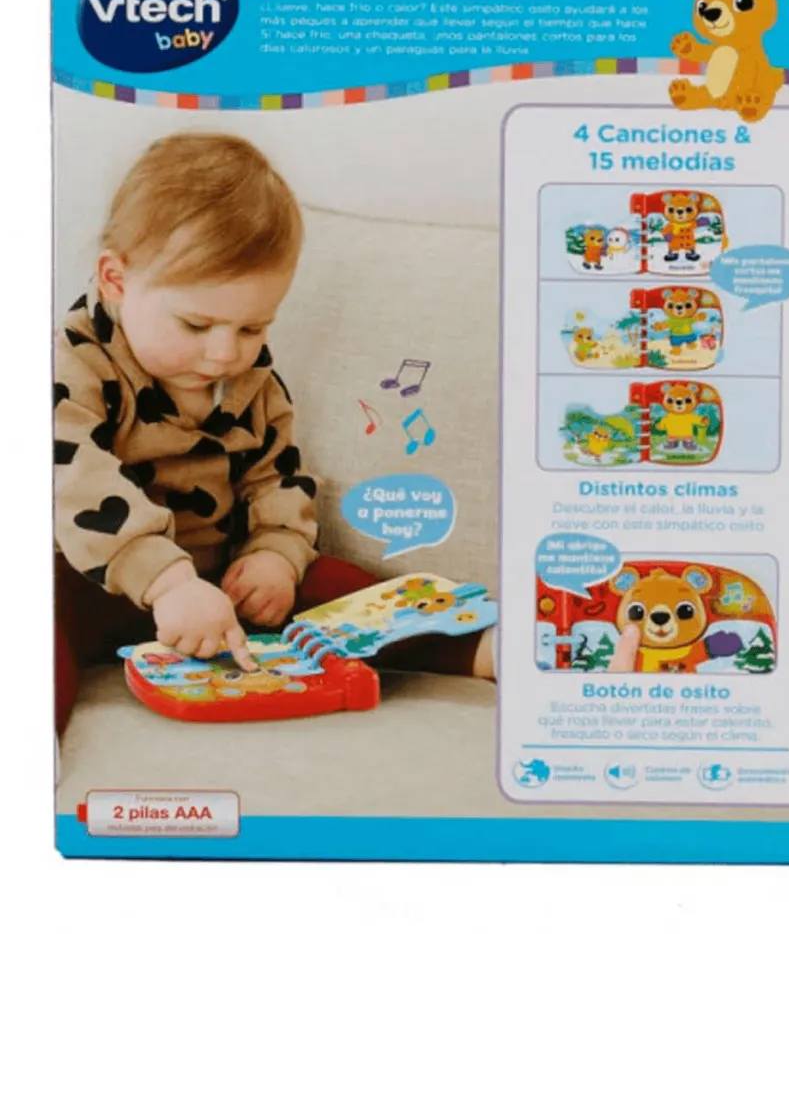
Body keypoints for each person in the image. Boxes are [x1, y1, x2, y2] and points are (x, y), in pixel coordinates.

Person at [53, 131, 493, 733]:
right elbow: (75, 480)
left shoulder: (252, 383)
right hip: (96, 580)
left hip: (221, 583)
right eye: (196, 324)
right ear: (116, 280)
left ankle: (482, 651)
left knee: (346, 591)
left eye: (251, 328)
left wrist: (275, 556)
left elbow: (279, 479)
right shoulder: (73, 366)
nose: (223, 353)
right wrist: (168, 581)